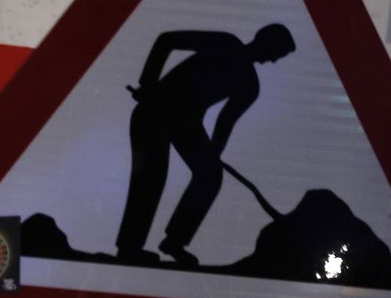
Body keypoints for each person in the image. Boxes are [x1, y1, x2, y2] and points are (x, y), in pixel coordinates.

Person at [115, 24, 296, 265]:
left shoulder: (249, 86)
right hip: (155, 110)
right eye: (277, 53)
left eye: (278, 57)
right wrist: (148, 83)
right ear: (265, 40)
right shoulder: (226, 43)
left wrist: (213, 153)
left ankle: (175, 241)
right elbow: (166, 39)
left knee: (210, 176)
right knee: (149, 177)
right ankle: (129, 248)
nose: (273, 60)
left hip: (186, 124)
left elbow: (225, 123)